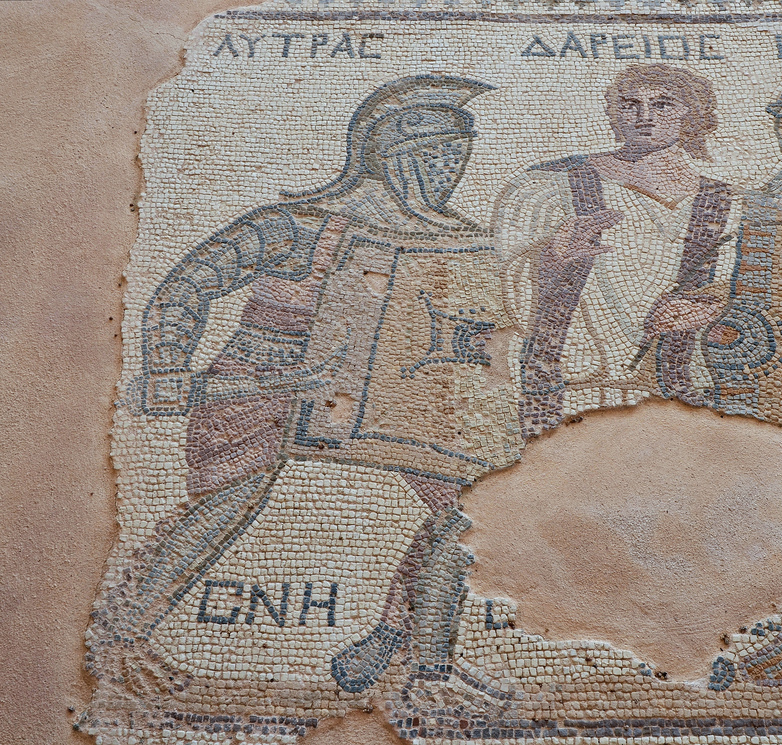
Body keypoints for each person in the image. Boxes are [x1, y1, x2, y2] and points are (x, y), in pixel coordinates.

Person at [88, 75, 509, 699]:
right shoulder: (300, 225)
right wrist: (170, 374)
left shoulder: (464, 241)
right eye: (430, 152)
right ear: (384, 152)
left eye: (458, 153)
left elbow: (482, 332)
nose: (447, 169)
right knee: (221, 510)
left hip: (400, 405)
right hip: (265, 384)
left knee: (473, 511)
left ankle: (415, 659)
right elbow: (189, 285)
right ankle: (121, 637)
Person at [494, 64, 742, 438]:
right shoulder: (551, 187)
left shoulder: (728, 203)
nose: (644, 116)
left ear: (691, 113)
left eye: (662, 105)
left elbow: (745, 286)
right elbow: (498, 282)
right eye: (630, 105)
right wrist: (551, 257)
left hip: (683, 383)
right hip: (575, 382)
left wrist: (710, 306)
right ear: (614, 113)